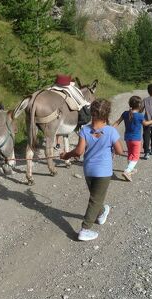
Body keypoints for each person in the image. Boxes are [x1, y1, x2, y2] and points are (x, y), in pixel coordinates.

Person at [60, 99, 123, 241]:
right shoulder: (111, 131)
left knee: (96, 196)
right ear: (107, 113)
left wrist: (66, 155)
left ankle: (101, 213)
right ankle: (85, 229)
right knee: (95, 199)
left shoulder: (85, 130)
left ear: (91, 113)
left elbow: (78, 152)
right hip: (104, 172)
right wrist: (112, 147)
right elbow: (120, 150)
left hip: (89, 169)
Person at [113, 96, 152, 181]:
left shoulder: (125, 113)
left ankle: (131, 168)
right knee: (136, 156)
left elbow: (117, 122)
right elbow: (145, 124)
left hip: (127, 138)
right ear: (139, 105)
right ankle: (127, 171)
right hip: (136, 140)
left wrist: (110, 128)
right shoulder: (140, 116)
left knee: (130, 153)